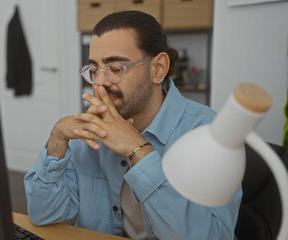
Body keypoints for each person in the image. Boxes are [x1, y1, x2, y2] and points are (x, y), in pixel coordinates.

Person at [24, 10, 241, 240]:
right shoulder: (89, 132)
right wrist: (57, 141)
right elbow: (43, 215)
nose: (99, 84)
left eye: (115, 69)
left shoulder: (210, 134)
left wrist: (138, 151)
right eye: (94, 70)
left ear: (158, 68)